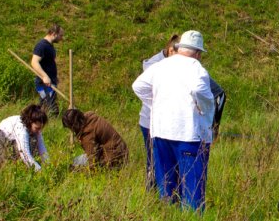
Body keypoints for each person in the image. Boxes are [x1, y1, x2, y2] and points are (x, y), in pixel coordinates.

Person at [131, 29, 215, 211]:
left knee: (167, 188)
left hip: (160, 133)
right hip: (188, 136)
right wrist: (205, 112)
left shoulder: (161, 66)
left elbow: (138, 86)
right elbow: (200, 90)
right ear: (198, 53)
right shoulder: (196, 68)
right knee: (192, 189)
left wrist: (156, 105)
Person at [138, 34, 179, 190]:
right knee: (154, 160)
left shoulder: (170, 63)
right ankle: (152, 190)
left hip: (166, 121)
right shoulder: (154, 66)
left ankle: (167, 191)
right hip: (151, 121)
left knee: (167, 160)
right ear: (170, 51)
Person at [0, 103, 49, 171]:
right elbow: (25, 154)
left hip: (8, 142)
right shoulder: (21, 130)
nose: (39, 131)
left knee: (33, 142)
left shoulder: (34, 128)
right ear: (30, 122)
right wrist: (40, 171)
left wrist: (48, 166)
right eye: (37, 128)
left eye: (41, 128)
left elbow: (42, 149)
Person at [61, 107, 129, 169]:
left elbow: (93, 162)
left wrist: (77, 170)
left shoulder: (87, 135)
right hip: (122, 151)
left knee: (75, 161)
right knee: (77, 159)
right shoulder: (90, 118)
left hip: (114, 159)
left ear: (73, 126)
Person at [30, 24, 63, 115]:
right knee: (51, 108)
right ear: (54, 34)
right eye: (60, 35)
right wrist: (45, 77)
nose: (62, 38)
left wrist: (53, 77)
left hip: (50, 81)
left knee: (43, 106)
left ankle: (39, 122)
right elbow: (34, 62)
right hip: (44, 83)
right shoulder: (42, 45)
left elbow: (48, 63)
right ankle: (51, 125)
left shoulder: (50, 46)